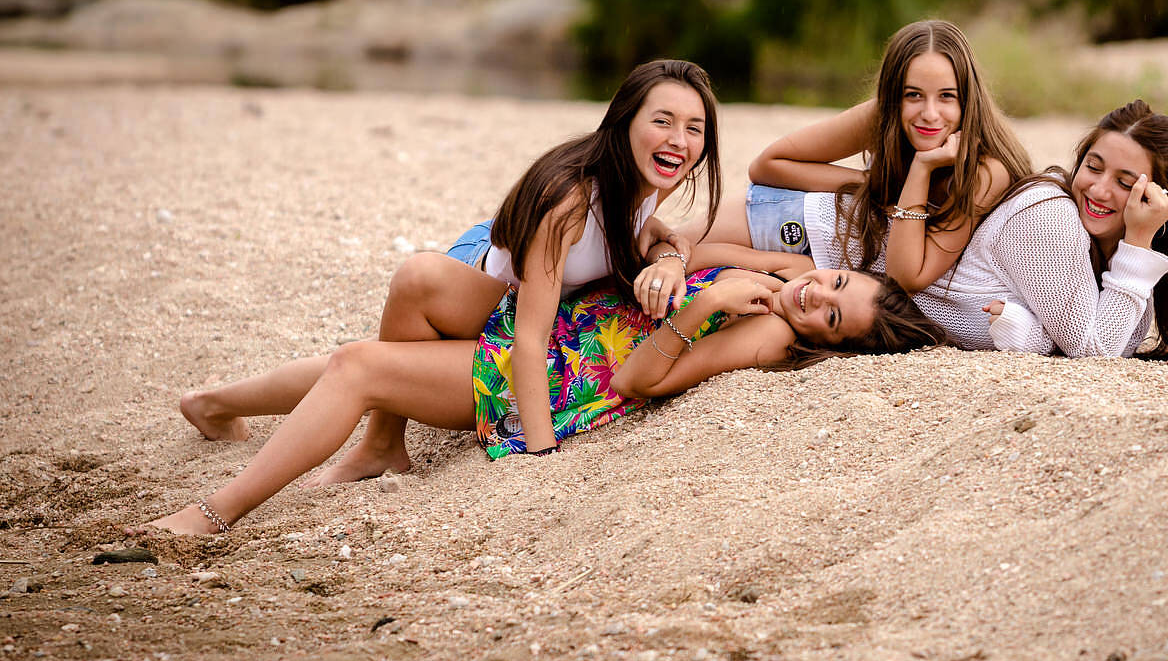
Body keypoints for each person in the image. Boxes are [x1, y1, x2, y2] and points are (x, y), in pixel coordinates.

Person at [177, 58, 720, 484]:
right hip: (483, 280)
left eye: (694, 128)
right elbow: (528, 343)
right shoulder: (577, 192)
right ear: (625, 122)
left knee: (378, 363)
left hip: (512, 283)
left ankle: (216, 403)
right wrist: (542, 452)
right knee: (402, 317)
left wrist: (670, 254)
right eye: (663, 120)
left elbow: (649, 230)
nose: (679, 139)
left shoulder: (644, 185)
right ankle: (380, 442)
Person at [147, 250, 944, 533]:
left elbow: (639, 380)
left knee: (359, 365)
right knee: (419, 281)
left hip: (559, 381)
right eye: (836, 282)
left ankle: (219, 513)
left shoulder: (770, 337)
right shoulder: (778, 273)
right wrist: (671, 260)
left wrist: (700, 305)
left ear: (828, 342)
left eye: (834, 317)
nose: (818, 297)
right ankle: (221, 404)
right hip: (560, 324)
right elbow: (692, 240)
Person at [684, 19, 1032, 297]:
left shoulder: (985, 171)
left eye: (946, 97)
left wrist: (920, 170)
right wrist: (874, 185)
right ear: (894, 94)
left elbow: (906, 277)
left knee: (673, 275)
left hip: (815, 274)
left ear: (968, 99)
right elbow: (767, 165)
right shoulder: (886, 116)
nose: (929, 113)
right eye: (913, 95)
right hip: (788, 220)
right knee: (657, 253)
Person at [949, 99, 1168, 360]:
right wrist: (1137, 244)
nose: (1098, 190)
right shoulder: (1047, 212)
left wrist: (1035, 336)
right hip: (912, 323)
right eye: (1093, 167)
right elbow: (1097, 351)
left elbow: (1123, 342)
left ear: (1154, 196)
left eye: (1124, 183)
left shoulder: (1115, 240)